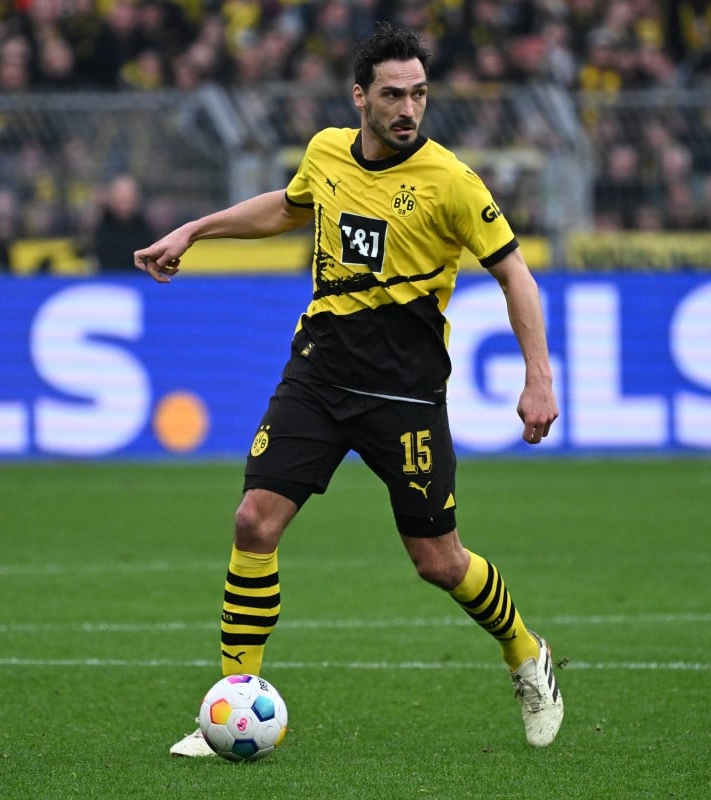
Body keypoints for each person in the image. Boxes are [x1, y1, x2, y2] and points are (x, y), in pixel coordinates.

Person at [134, 23, 563, 755]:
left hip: (405, 393)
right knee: (253, 522)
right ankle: (231, 704)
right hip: (320, 373)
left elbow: (514, 273)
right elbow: (287, 207)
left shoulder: (452, 182)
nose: (408, 109)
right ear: (359, 96)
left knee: (439, 562)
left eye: (419, 94)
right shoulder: (327, 151)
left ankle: (526, 653)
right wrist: (196, 230)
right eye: (393, 95)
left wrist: (539, 377)